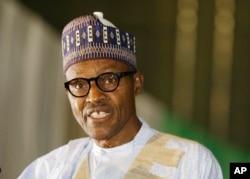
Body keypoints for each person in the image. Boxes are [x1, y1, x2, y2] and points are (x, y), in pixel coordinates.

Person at [18, 12, 223, 179]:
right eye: (79, 84)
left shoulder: (190, 163)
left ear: (136, 84)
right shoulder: (48, 170)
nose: (94, 97)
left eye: (108, 79)